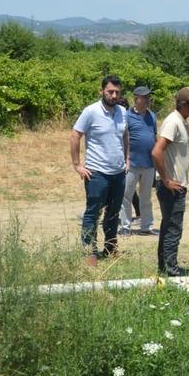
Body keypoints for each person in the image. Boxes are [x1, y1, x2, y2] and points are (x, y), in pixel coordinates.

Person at [71, 75, 130, 267]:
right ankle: (89, 251)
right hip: (97, 173)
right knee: (93, 213)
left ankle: (110, 248)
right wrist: (78, 165)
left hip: (118, 173)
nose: (113, 95)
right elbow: (75, 135)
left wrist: (127, 159)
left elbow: (125, 136)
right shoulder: (91, 111)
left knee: (113, 213)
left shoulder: (122, 111)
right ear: (102, 91)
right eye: (110, 91)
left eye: (117, 92)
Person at [152, 86, 189, 276]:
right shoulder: (173, 122)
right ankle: (171, 269)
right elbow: (156, 151)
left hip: (176, 184)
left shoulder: (182, 122)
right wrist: (166, 179)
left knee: (169, 225)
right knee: (174, 228)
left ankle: (165, 266)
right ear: (183, 104)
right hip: (171, 186)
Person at [121, 85, 158, 236]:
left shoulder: (152, 116)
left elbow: (154, 137)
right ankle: (125, 226)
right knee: (126, 195)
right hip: (132, 163)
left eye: (149, 97)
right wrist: (125, 159)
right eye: (145, 97)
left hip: (149, 163)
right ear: (136, 99)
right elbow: (123, 138)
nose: (148, 100)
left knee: (146, 196)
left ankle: (146, 226)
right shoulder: (127, 116)